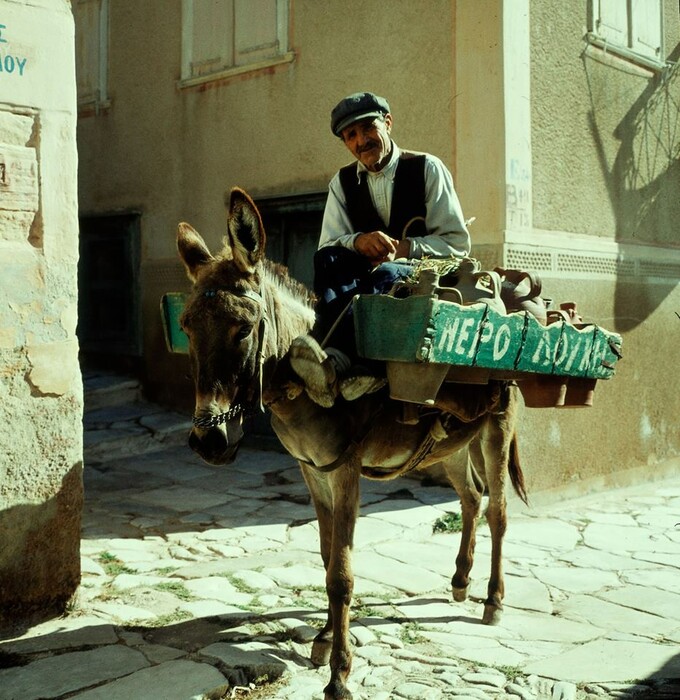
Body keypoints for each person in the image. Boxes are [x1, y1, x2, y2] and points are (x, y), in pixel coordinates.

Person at [290, 91, 471, 407]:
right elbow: (329, 243)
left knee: (387, 272)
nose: (361, 141)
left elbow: (457, 244)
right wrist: (357, 241)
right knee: (328, 258)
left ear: (387, 124)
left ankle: (350, 361)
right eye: (351, 135)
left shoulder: (427, 168)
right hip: (362, 279)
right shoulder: (342, 182)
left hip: (422, 277)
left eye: (368, 128)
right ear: (346, 143)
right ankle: (339, 357)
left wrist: (404, 248)